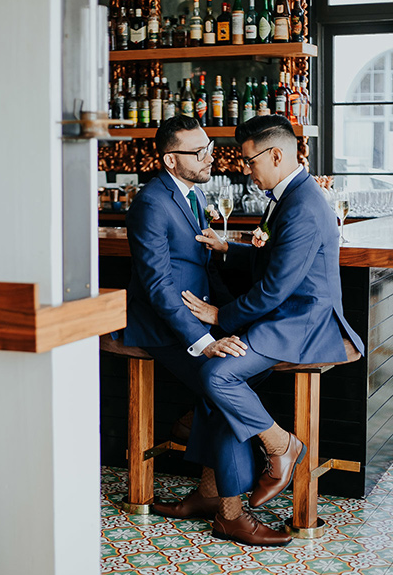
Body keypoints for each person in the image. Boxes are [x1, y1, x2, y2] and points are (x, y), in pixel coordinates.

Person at [177, 114, 364, 542]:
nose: (245, 169)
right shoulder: (291, 192)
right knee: (218, 388)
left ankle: (282, 447)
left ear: (276, 154)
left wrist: (220, 316)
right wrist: (232, 248)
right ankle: (215, 498)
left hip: (301, 321)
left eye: (248, 161)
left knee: (217, 374)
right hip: (284, 315)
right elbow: (275, 261)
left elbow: (276, 289)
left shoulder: (302, 204)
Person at [124, 114, 293, 546]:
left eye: (209, 148)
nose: (209, 157)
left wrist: (230, 315)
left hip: (198, 318)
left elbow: (200, 266)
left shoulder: (191, 195)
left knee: (238, 378)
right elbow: (159, 287)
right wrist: (205, 341)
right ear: (169, 161)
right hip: (162, 328)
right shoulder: (151, 203)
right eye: (197, 152)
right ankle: (230, 516)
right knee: (224, 387)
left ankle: (205, 490)